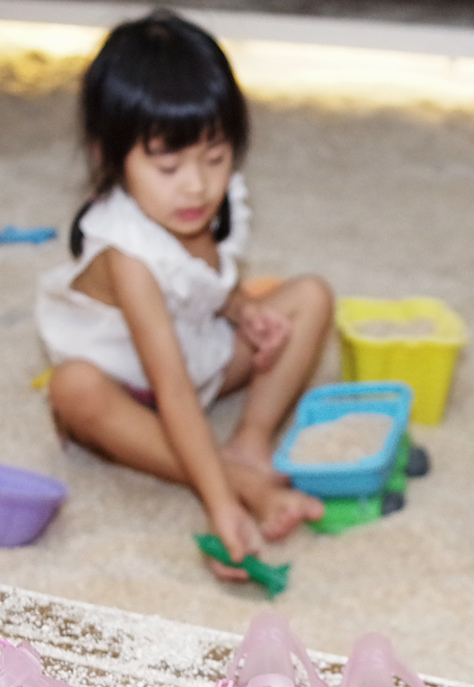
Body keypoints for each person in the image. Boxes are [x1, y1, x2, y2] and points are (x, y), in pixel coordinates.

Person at [37, 10, 331, 581]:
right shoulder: (127, 253)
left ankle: (248, 442)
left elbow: (203, 283)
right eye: (168, 165)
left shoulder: (204, 200)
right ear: (109, 157)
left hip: (197, 351)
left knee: (311, 296)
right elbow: (171, 390)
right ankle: (236, 478)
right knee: (72, 390)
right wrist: (223, 505)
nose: (197, 185)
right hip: (134, 386)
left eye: (216, 158)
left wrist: (243, 310)